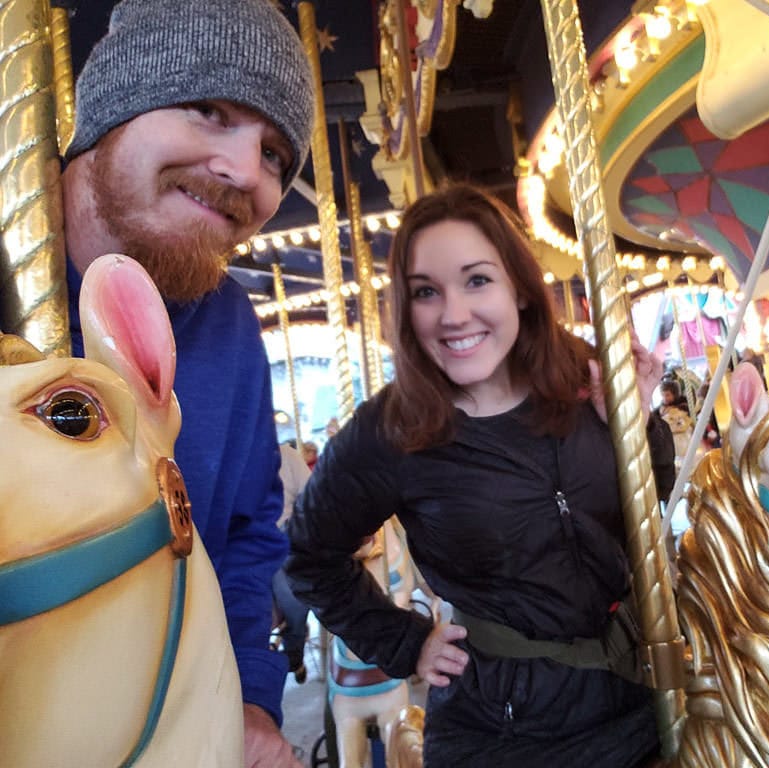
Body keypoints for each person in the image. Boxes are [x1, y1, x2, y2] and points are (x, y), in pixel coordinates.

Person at [286, 184, 667, 766]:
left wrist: (642, 424)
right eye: (426, 292)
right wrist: (405, 643)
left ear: (518, 286)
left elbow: (656, 497)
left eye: (477, 280)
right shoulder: (392, 429)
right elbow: (310, 556)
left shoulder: (583, 376)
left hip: (636, 699)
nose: (454, 314)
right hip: (503, 731)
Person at [54, 1, 314, 764]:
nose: (246, 173)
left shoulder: (229, 323)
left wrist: (249, 698)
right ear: (117, 100)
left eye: (275, 154)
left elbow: (242, 534)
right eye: (209, 110)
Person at [273, 442, 314, 682]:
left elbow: (311, 494)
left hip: (281, 538)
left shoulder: (286, 456)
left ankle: (294, 650)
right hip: (244, 541)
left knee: (293, 599)